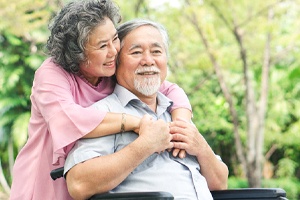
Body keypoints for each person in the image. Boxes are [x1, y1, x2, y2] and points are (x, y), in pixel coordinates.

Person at [9, 1, 192, 200]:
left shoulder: (109, 69)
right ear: (78, 53)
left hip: (91, 176)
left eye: (115, 39)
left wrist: (180, 127)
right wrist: (139, 124)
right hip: (47, 180)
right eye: (103, 45)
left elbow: (170, 88)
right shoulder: (52, 73)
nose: (114, 51)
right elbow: (66, 120)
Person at [64, 19, 229, 200]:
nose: (148, 60)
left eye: (156, 52)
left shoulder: (176, 112)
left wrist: (201, 147)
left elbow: (220, 184)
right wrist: (145, 146)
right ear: (116, 62)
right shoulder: (105, 114)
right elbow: (78, 184)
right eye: (136, 52)